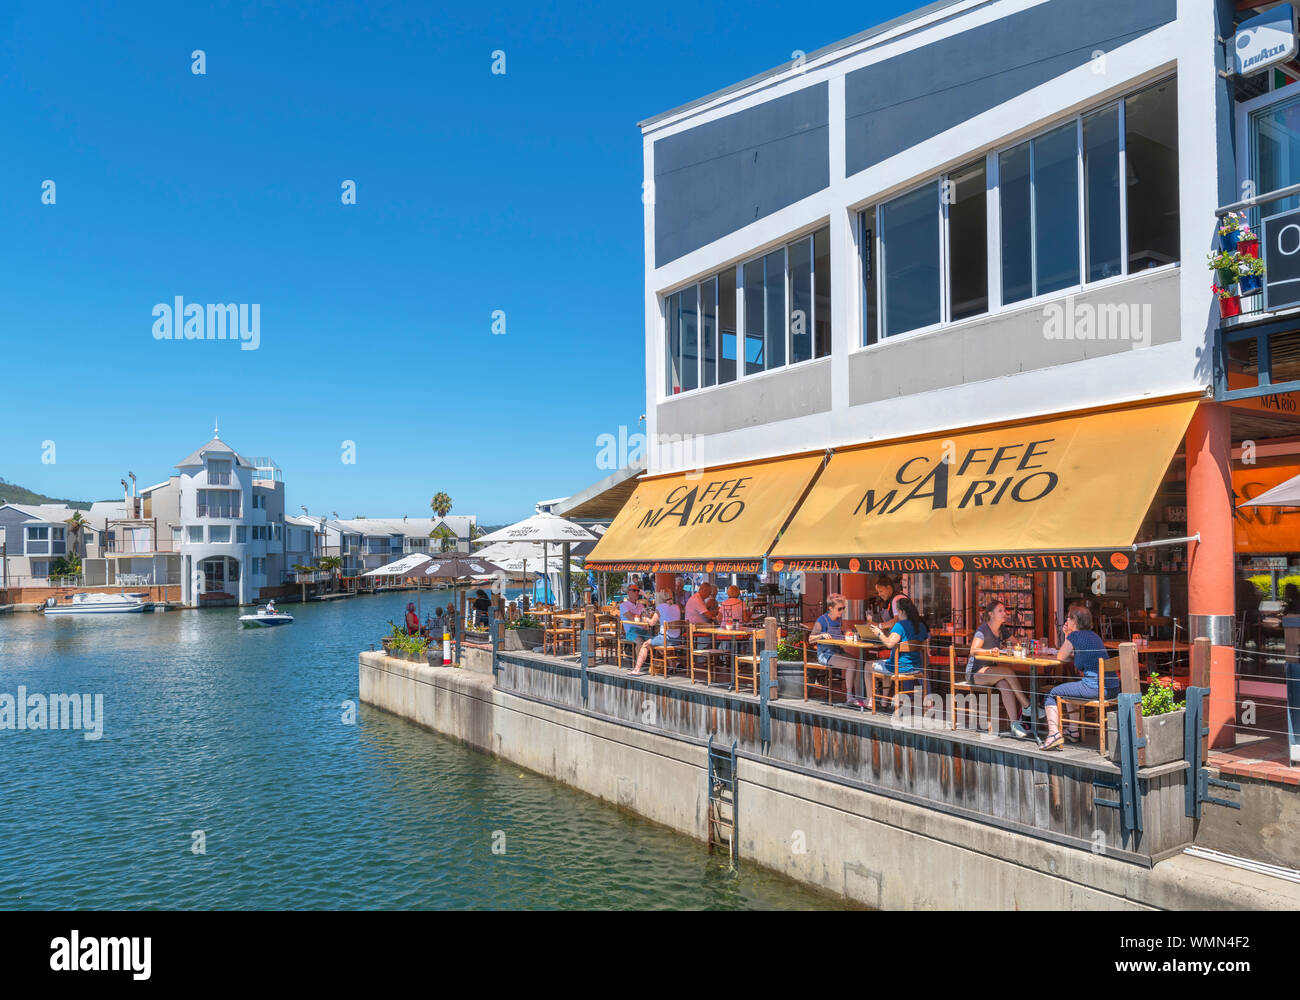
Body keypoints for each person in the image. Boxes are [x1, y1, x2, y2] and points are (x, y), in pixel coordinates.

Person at [1041, 606, 1116, 750]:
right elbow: (1081, 661)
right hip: (1111, 688)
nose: (1066, 620)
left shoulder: (1075, 636)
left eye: (1068, 617)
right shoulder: (1094, 636)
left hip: (1094, 687)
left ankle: (1053, 734)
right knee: (1070, 689)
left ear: (1074, 620)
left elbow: (1061, 656)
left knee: (1051, 694)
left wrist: (1068, 635)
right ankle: (1073, 730)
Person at [965, 602, 1029, 739]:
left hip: (991, 671)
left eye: (1004, 610)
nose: (1004, 613)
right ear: (991, 614)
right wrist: (990, 651)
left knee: (1005, 684)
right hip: (976, 672)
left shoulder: (1002, 630)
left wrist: (1011, 648)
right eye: (1000, 611)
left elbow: (1016, 643)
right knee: (1007, 671)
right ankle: (1026, 705)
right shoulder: (983, 630)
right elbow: (973, 650)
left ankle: (1014, 724)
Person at [868, 596, 930, 700]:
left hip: (899, 668)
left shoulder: (900, 626)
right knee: (884, 662)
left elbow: (889, 644)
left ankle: (871, 700)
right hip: (916, 667)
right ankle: (883, 700)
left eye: (896, 610)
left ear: (901, 611)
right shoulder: (921, 625)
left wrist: (879, 633)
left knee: (868, 665)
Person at [810, 593, 865, 707]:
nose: (842, 611)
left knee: (859, 663)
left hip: (837, 651)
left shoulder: (839, 620)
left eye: (843, 608)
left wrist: (846, 633)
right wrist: (821, 635)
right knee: (851, 663)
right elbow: (810, 639)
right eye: (839, 609)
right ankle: (849, 696)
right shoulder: (822, 620)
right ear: (830, 608)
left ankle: (860, 697)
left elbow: (839, 634)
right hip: (825, 654)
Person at [632, 588, 683, 675]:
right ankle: (674, 663)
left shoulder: (660, 607)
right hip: (678, 639)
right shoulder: (677, 607)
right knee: (657, 643)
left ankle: (636, 669)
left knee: (645, 644)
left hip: (666, 639)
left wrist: (646, 619)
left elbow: (652, 623)